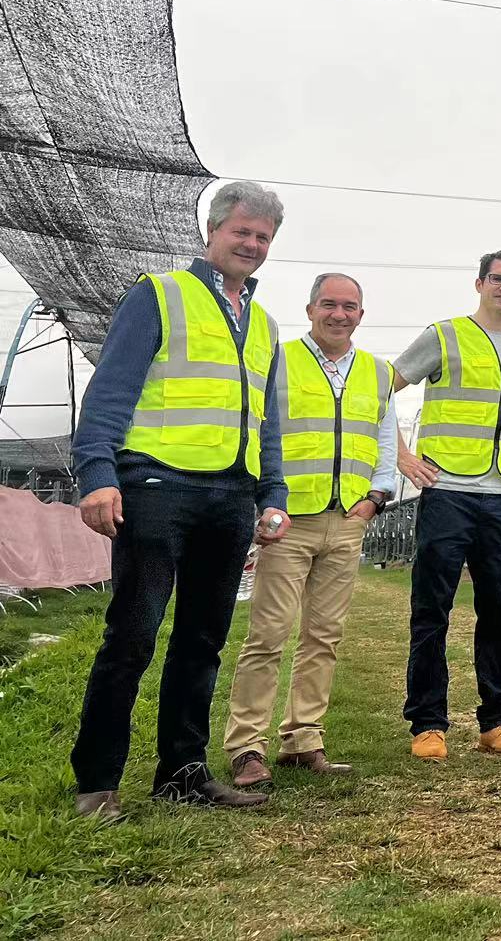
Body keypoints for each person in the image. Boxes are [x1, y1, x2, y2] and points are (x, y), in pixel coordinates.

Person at [68, 181, 290, 817]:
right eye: (241, 232)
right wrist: (97, 474)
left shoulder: (264, 325)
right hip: (157, 484)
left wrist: (271, 492)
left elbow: (265, 422)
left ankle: (182, 772)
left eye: (263, 237)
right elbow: (110, 390)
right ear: (212, 233)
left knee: (202, 639)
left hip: (229, 496)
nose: (251, 244)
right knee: (133, 633)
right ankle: (98, 782)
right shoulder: (159, 295)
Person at [224, 273, 398, 786]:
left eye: (349, 306)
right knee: (269, 634)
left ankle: (303, 739)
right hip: (288, 521)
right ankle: (246, 747)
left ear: (361, 315)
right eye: (329, 304)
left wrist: (375, 499)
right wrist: (263, 502)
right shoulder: (280, 361)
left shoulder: (377, 372)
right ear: (310, 309)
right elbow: (256, 427)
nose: (339, 314)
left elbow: (386, 440)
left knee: (324, 635)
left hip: (346, 519)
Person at [393, 250, 501, 762]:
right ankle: (428, 723)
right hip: (448, 491)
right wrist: (400, 455)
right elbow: (379, 389)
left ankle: (497, 721)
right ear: (479, 283)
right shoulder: (444, 335)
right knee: (432, 610)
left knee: (499, 611)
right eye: (497, 278)